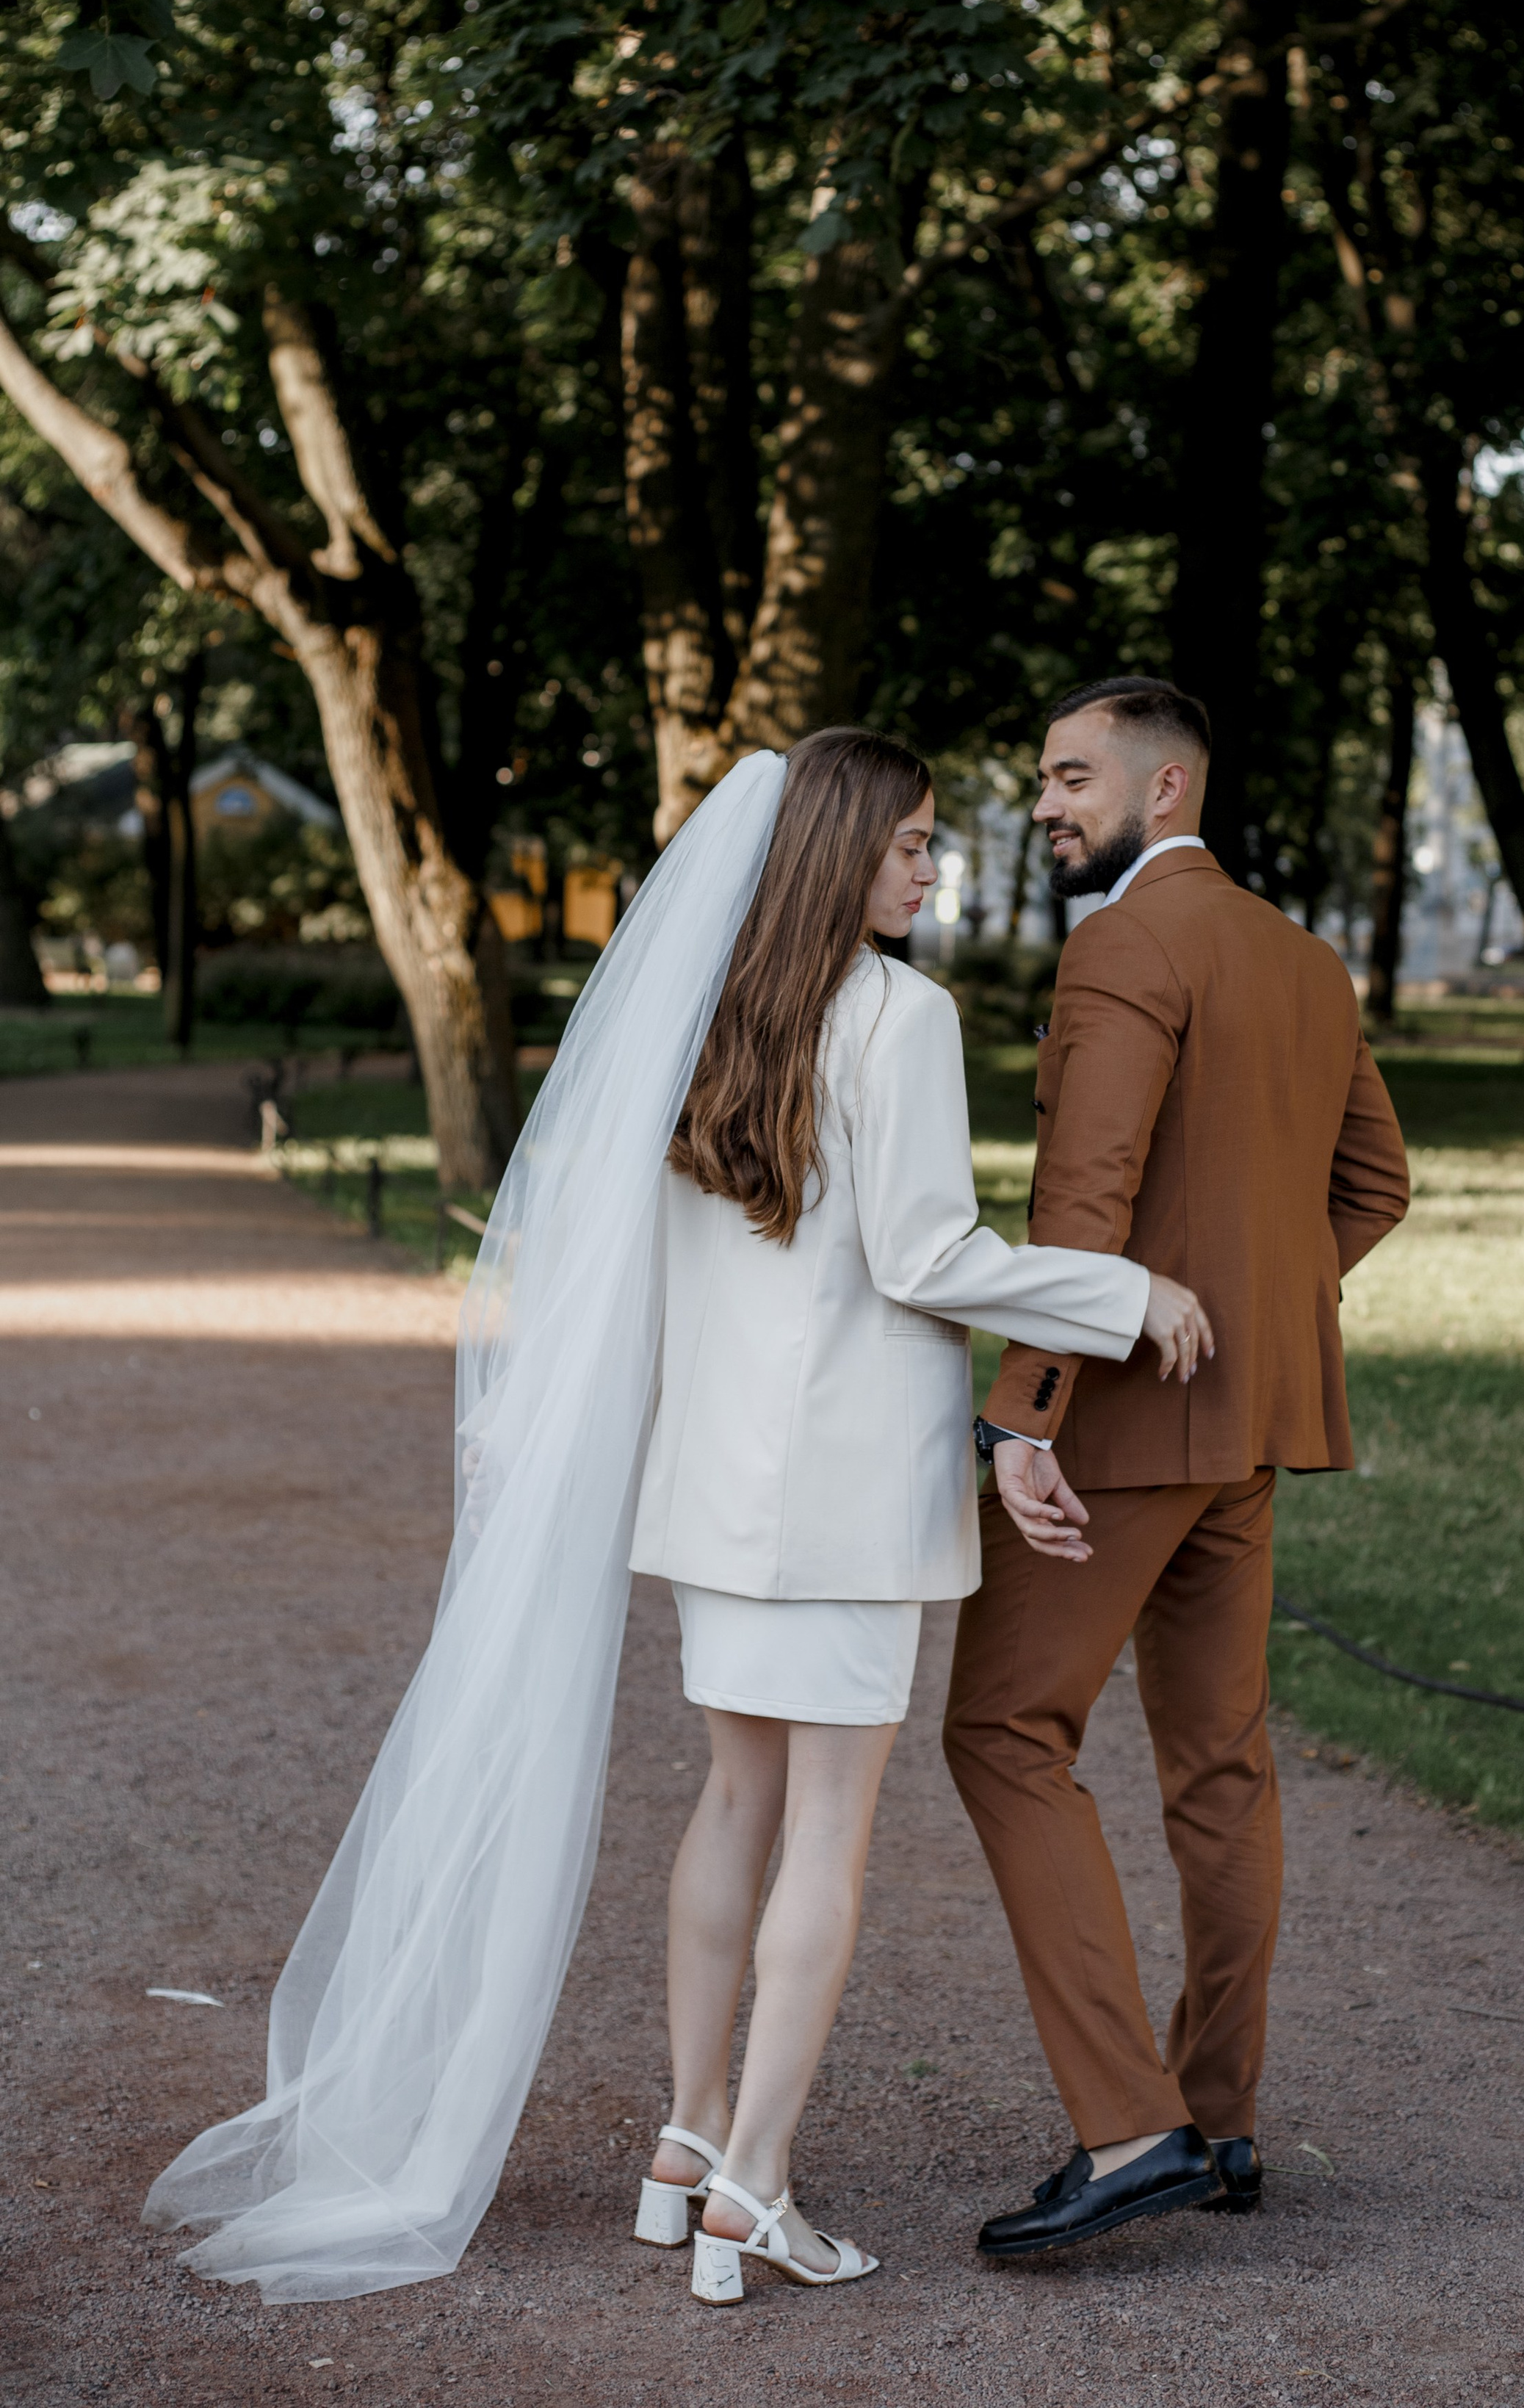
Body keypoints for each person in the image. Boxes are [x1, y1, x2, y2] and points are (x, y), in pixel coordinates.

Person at [142, 727, 1209, 2310]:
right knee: (825, 1840)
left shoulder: (699, 1021)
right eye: (913, 842)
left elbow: (623, 1269)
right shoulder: (898, 1017)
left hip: (712, 1487)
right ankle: (755, 2195)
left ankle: (688, 2139)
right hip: (842, 1497)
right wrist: (1125, 1294)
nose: (933, 866)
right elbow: (925, 1255)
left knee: (732, 1807)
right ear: (843, 853)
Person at [943, 676, 1411, 2257]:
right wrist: (1264, 1316)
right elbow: (1375, 1186)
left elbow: (1082, 1198)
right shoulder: (1301, 956)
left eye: (1067, 775)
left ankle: (1127, 2126)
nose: (1043, 802)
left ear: (1162, 790)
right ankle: (1215, 2119)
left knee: (1004, 1732)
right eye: (1038, 774)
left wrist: (1021, 1414)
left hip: (1124, 1436)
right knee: (1218, 1768)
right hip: (1254, 1434)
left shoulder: (1123, 944)